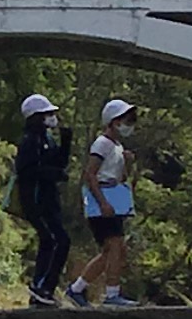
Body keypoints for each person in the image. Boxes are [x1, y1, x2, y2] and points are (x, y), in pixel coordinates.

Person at [68, 97, 140, 308]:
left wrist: (127, 162)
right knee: (115, 246)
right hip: (103, 200)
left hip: (113, 199)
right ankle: (111, 295)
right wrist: (102, 203)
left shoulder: (117, 146)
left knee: (111, 250)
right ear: (114, 121)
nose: (129, 125)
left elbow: (121, 178)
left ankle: (77, 289)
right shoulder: (102, 143)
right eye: (126, 120)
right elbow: (90, 174)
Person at [9, 95, 70, 307]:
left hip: (49, 200)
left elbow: (59, 162)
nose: (52, 118)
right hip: (36, 200)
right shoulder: (30, 140)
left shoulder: (46, 138)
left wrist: (66, 141)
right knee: (57, 240)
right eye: (47, 114)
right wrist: (52, 174)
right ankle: (42, 287)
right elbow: (27, 171)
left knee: (51, 241)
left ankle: (43, 288)